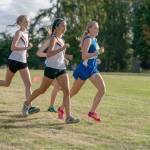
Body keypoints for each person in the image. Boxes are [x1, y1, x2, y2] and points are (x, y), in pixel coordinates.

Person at [22, 18, 80, 124]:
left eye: (65, 25)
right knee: (42, 90)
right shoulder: (53, 39)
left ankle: (68, 117)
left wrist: (65, 58)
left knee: (67, 91)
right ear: (56, 27)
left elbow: (58, 55)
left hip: (61, 68)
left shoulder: (61, 40)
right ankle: (26, 103)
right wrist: (62, 49)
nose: (65, 27)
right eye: (62, 25)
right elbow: (49, 54)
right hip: (51, 68)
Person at [58, 21, 106, 122]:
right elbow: (84, 56)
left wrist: (97, 57)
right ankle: (61, 108)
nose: (97, 30)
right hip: (85, 69)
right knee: (73, 92)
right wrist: (97, 52)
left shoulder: (94, 40)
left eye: (98, 28)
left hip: (92, 68)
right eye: (95, 28)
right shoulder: (88, 39)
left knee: (102, 89)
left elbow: (92, 55)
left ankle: (92, 112)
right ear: (89, 29)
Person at [0, 15, 39, 114]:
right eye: (26, 21)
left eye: (28, 21)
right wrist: (26, 48)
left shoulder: (26, 33)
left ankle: (28, 107)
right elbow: (13, 47)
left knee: (28, 84)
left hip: (23, 62)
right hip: (14, 61)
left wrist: (26, 53)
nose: (28, 22)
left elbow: (22, 47)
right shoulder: (19, 32)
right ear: (20, 22)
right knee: (6, 83)